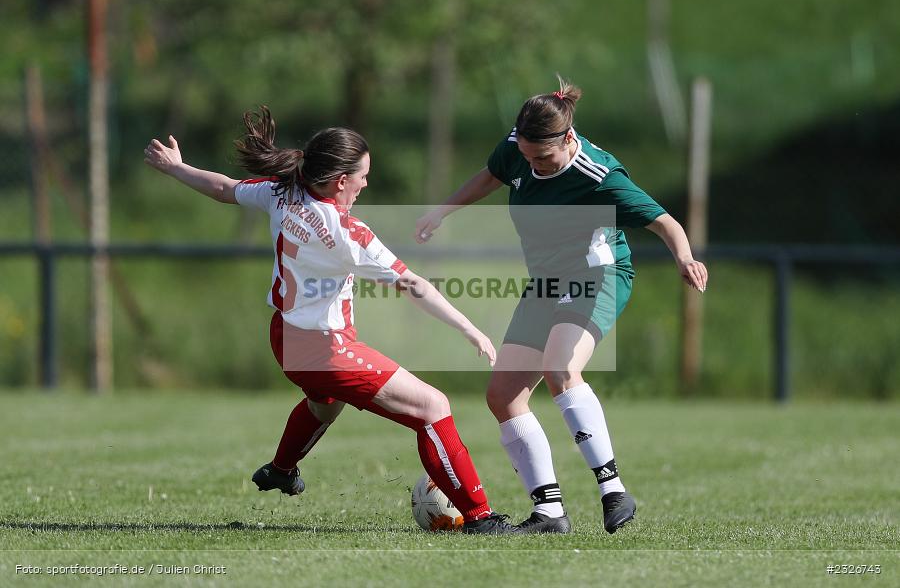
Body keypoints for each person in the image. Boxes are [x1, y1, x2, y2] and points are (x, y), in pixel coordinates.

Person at [144, 106, 519, 534]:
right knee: (433, 407)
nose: (365, 182)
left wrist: (177, 168)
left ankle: (281, 469)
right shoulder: (346, 233)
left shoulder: (282, 192)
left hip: (285, 338)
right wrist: (469, 328)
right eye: (362, 175)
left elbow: (225, 189)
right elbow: (412, 284)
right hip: (325, 348)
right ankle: (480, 518)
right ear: (341, 180)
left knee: (325, 403)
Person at [414, 77, 708, 534]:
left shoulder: (599, 176)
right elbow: (491, 176)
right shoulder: (517, 148)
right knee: (503, 396)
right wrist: (443, 210)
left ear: (568, 139)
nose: (534, 165)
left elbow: (664, 221)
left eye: (543, 157)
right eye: (528, 157)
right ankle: (549, 513)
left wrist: (685, 257)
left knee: (561, 368)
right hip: (548, 280)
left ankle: (613, 489)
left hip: (599, 275)